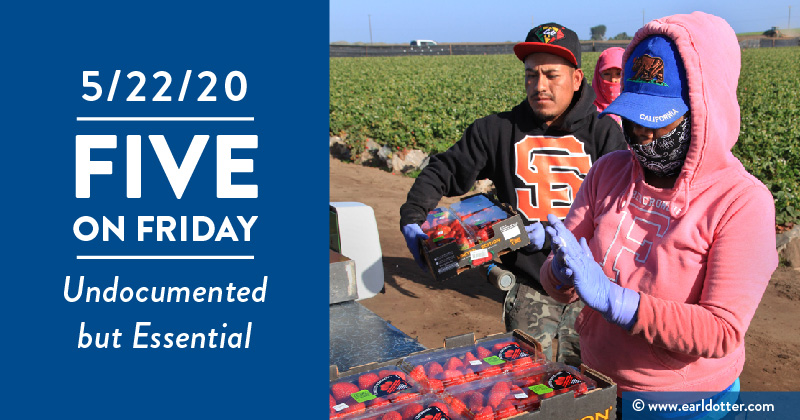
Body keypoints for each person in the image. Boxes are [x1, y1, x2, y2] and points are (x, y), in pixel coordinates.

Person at [537, 11, 778, 408]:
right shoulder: (607, 173)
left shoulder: (741, 202)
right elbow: (557, 284)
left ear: (703, 111)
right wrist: (559, 273)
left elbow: (720, 332)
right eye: (634, 121)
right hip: (598, 378)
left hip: (683, 400)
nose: (643, 137)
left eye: (660, 124)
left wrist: (620, 303)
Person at [399, 23, 627, 365]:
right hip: (531, 289)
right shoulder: (497, 131)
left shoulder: (605, 134)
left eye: (552, 75)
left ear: (577, 79)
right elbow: (444, 169)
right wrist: (413, 216)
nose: (540, 86)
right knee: (532, 386)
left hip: (592, 290)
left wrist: (557, 238)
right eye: (531, 75)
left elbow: (621, 208)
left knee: (595, 391)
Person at [591, 47, 624, 125]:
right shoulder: (590, 111)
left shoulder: (636, 109)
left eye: (618, 74)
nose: (613, 80)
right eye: (606, 74)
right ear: (598, 76)